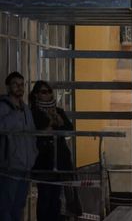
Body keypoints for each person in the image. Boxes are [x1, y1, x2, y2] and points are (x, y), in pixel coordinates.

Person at [30, 81, 75, 221]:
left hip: (60, 159)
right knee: (45, 196)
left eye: (49, 91)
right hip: (43, 160)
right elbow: (39, 132)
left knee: (56, 198)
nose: (48, 94)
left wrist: (57, 121)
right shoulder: (32, 112)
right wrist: (51, 124)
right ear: (36, 95)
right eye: (44, 92)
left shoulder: (59, 111)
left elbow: (69, 129)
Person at [0, 72, 37, 221]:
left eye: (22, 84)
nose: (19, 87)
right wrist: (15, 114)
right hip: (10, 166)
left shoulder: (26, 109)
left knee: (19, 205)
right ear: (8, 86)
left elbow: (32, 133)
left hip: (26, 166)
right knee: (5, 206)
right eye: (15, 84)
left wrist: (34, 153)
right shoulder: (3, 107)